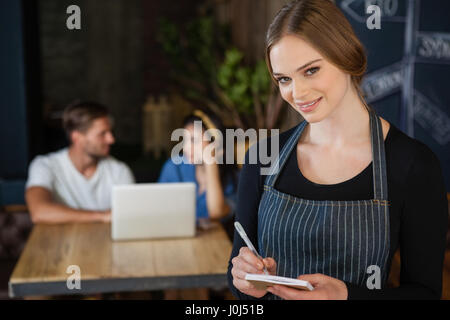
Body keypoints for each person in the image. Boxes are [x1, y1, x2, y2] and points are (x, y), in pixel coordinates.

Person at [228, 0, 448, 300]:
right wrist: (243, 279)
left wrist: (347, 296)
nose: (298, 93)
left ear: (346, 57)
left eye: (311, 70)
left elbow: (425, 294)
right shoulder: (262, 158)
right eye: (284, 79)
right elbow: (238, 281)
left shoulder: (412, 164)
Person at [25, 101, 135, 224]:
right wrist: (102, 216)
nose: (111, 139)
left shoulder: (119, 170)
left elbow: (129, 216)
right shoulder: (44, 166)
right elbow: (39, 212)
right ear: (76, 137)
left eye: (110, 132)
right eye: (102, 134)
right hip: (61, 242)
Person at [158, 110, 238, 222]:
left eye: (193, 140)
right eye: (184, 140)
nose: (186, 148)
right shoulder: (173, 167)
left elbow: (216, 212)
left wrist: (211, 162)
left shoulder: (232, 180)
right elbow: (159, 211)